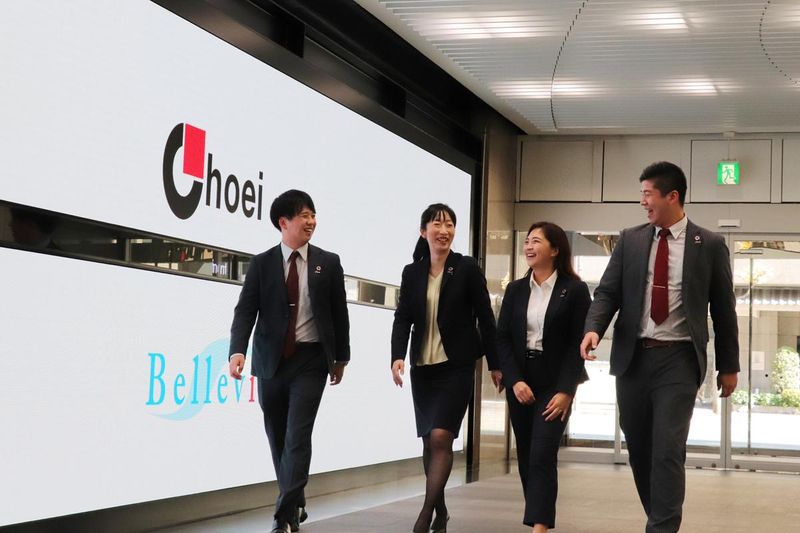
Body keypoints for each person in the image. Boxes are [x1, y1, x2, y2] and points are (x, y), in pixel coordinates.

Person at [580, 162, 739, 533]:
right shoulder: (631, 239)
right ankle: (660, 517)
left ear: (672, 196)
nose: (642, 202)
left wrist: (729, 365)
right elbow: (607, 293)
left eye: (647, 194)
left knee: (668, 447)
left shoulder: (709, 244)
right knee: (639, 447)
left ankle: (661, 528)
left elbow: (724, 308)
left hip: (679, 359)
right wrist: (593, 329)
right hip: (634, 358)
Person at [228, 189, 350, 533]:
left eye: (313, 215)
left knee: (298, 434)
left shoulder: (329, 262)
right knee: (278, 435)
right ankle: (294, 500)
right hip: (271, 362)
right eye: (303, 215)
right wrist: (237, 350)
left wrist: (341, 357)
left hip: (311, 360)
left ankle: (282, 516)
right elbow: (245, 311)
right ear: (283, 222)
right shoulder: (262, 264)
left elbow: (339, 313)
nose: (311, 221)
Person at [391, 203, 501, 533]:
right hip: (423, 368)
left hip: (456, 366)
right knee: (429, 441)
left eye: (450, 224)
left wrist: (495, 364)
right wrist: (397, 356)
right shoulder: (412, 272)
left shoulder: (466, 268)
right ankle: (440, 511)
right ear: (423, 231)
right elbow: (403, 318)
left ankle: (425, 515)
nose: (444, 230)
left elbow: (486, 318)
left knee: (441, 436)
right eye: (437, 224)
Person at [497, 221, 590, 532]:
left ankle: (540, 527)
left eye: (536, 241)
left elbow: (577, 344)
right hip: (521, 380)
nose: (528, 246)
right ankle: (538, 516)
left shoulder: (574, 290)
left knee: (542, 453)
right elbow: (502, 338)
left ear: (555, 249)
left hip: (554, 382)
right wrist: (514, 380)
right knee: (526, 455)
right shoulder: (515, 289)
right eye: (527, 241)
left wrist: (566, 391)